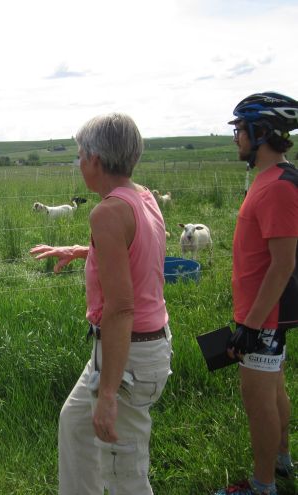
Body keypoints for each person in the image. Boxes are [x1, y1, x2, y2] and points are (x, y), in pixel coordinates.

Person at [30, 113, 171, 495]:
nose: (79, 164)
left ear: (95, 159)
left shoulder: (107, 212)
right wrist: (80, 251)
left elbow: (122, 307)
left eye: (80, 155)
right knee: (76, 424)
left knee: (124, 472)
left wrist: (108, 394)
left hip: (128, 357)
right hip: (138, 347)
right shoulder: (143, 197)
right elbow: (136, 252)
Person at [215, 92, 298, 495]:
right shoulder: (268, 180)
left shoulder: (279, 187)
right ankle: (281, 461)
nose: (235, 138)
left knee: (258, 399)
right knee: (275, 387)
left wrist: (250, 326)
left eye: (239, 130)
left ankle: (262, 485)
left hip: (262, 315)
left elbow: (283, 264)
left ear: (260, 132)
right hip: (262, 311)